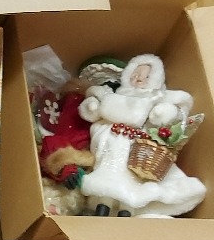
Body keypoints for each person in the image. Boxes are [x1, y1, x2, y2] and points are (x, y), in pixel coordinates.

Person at [78, 53, 206, 216]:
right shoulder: (113, 95)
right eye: (135, 74)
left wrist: (162, 113)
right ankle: (102, 208)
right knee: (106, 177)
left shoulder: (154, 98)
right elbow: (95, 107)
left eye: (144, 76)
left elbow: (172, 112)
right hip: (111, 145)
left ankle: (126, 211)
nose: (138, 78)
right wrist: (92, 107)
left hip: (135, 148)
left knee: (131, 181)